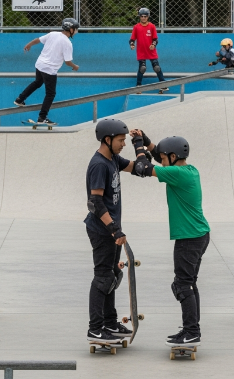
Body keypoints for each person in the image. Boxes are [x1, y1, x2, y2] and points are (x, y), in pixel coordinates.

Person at [127, 130, 209, 347]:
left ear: (173, 157)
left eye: (164, 159)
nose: (161, 162)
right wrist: (146, 139)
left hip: (189, 238)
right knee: (189, 284)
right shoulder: (188, 170)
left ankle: (191, 331)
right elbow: (157, 155)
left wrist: (137, 145)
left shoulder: (177, 174)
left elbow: (143, 168)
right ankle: (192, 329)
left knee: (182, 285)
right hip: (197, 235)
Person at [85, 119, 137, 344]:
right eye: (120, 140)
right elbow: (95, 202)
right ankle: (95, 329)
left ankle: (109, 321)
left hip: (111, 230)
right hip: (102, 230)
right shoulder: (99, 164)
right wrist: (114, 229)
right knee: (103, 277)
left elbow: (137, 168)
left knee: (113, 275)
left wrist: (140, 144)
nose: (123, 144)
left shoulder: (113, 159)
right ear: (107, 140)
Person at [14, 18, 80, 125]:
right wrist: (75, 66)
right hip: (49, 69)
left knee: (38, 82)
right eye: (75, 29)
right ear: (70, 29)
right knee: (50, 93)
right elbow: (68, 61)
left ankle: (19, 99)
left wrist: (29, 45)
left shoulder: (53, 34)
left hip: (40, 64)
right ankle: (42, 117)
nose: (76, 32)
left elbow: (38, 40)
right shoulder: (67, 43)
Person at [130, 8, 168, 91]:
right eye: (142, 16)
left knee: (156, 67)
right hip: (141, 51)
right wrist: (132, 45)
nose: (143, 18)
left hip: (151, 50)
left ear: (148, 17)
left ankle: (163, 84)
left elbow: (155, 39)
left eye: (145, 16)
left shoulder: (152, 26)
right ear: (139, 17)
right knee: (142, 68)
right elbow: (132, 39)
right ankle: (138, 86)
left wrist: (153, 45)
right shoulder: (136, 27)